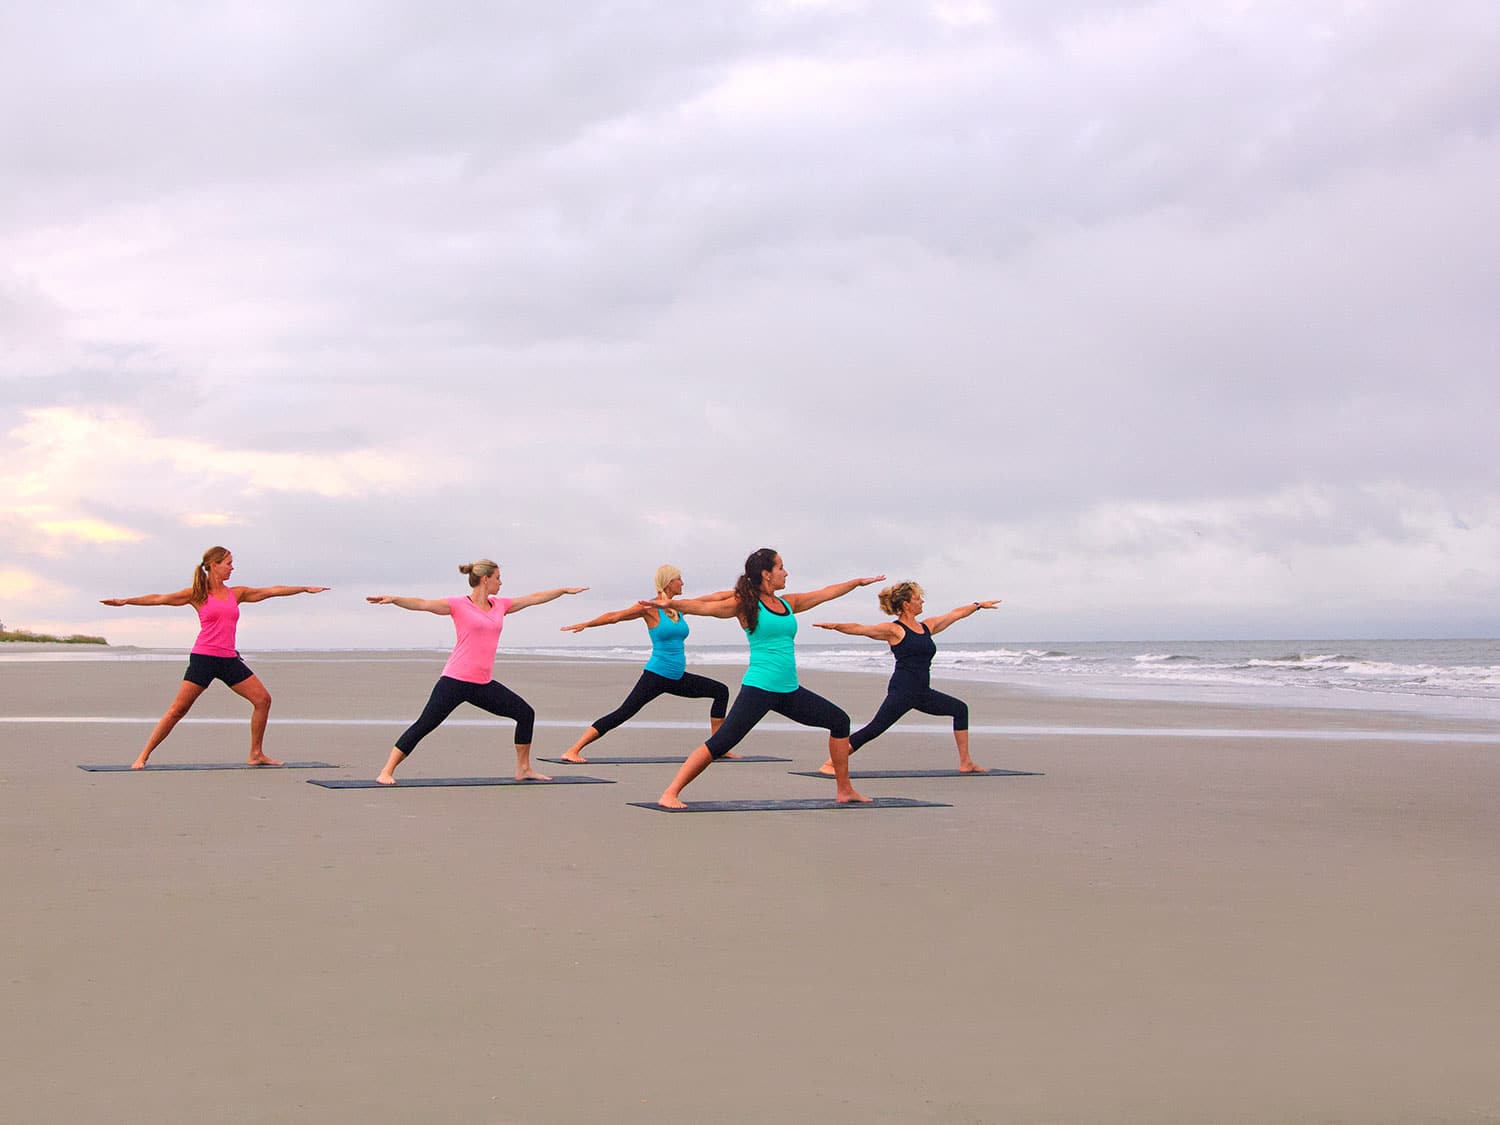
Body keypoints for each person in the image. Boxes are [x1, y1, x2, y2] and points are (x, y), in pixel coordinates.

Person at [651, 548, 883, 808]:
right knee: (721, 743)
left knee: (839, 721)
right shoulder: (746, 605)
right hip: (759, 689)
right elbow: (706, 607)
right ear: (766, 574)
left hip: (789, 691)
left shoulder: (787, 603)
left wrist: (855, 583)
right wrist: (671, 604)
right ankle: (670, 793)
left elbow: (823, 594)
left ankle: (845, 789)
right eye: (781, 567)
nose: (786, 572)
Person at [99, 546, 329, 768]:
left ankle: (256, 753)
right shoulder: (197, 594)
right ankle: (143, 755)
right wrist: (126, 601)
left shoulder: (236, 593)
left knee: (263, 700)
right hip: (204, 659)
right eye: (228, 563)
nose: (232, 568)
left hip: (229, 660)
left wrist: (304, 588)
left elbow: (271, 591)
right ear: (213, 565)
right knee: (178, 709)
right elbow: (159, 598)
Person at [367, 559, 586, 784]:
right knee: (425, 724)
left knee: (525, 714)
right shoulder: (458, 604)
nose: (501, 583)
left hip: (482, 684)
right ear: (485, 579)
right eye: (498, 578)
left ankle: (524, 768)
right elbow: (423, 603)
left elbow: (532, 599)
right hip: (454, 680)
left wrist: (561, 591)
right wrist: (395, 599)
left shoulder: (500, 605)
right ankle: (386, 771)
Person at [814, 583, 1000, 773]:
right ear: (906, 604)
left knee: (960, 709)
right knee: (875, 728)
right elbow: (862, 629)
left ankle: (966, 762)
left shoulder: (927, 627)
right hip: (902, 691)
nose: (922, 601)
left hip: (922, 692)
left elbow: (955, 614)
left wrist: (977, 605)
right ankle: (830, 763)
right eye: (918, 598)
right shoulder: (895, 630)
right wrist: (836, 626)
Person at [557, 565, 733, 763]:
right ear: (669, 582)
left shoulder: (678, 608)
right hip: (656, 676)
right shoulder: (649, 608)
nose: (682, 583)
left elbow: (715, 597)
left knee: (720, 692)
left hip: (677, 677)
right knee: (623, 713)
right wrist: (587, 624)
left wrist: (747, 590)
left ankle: (719, 746)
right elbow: (615, 616)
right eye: (679, 579)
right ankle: (573, 750)